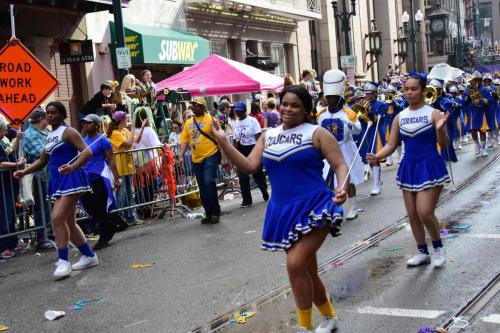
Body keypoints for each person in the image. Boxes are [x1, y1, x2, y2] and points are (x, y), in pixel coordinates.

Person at [212, 85, 348, 333]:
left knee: (295, 265)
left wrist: (342, 188)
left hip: (316, 206)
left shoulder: (317, 133)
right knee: (307, 270)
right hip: (283, 211)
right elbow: (249, 165)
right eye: (285, 103)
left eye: (295, 105)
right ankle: (329, 316)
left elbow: (340, 165)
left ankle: (304, 327)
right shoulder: (268, 135)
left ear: (306, 109)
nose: (288, 109)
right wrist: (223, 141)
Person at [367, 75, 449, 268]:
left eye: (414, 89)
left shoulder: (434, 113)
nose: (409, 93)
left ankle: (438, 248)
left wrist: (439, 129)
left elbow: (443, 144)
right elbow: (391, 144)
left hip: (429, 166)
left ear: (422, 90)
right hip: (408, 167)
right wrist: (377, 156)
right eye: (407, 89)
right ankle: (422, 251)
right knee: (412, 214)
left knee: (425, 212)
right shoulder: (399, 117)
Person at [13, 101, 98, 279]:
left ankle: (63, 261)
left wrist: (72, 167)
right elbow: (42, 161)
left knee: (57, 218)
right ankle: (89, 256)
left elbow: (87, 152)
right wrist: (24, 171)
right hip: (58, 181)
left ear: (62, 114)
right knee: (68, 222)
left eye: (53, 113)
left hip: (71, 179)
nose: (49, 116)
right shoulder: (49, 135)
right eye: (47, 113)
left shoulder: (69, 132)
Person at [318, 70, 364, 221]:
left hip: (345, 149)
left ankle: (353, 207)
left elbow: (358, 130)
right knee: (327, 181)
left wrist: (350, 124)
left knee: (347, 180)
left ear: (339, 97)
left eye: (333, 98)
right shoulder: (321, 114)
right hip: (327, 151)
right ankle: (332, 208)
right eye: (328, 98)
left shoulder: (348, 113)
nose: (329, 100)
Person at [80, 114, 126, 250]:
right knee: (88, 205)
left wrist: (116, 178)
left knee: (100, 206)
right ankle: (110, 226)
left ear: (95, 124)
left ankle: (104, 236)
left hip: (99, 175)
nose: (85, 125)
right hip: (86, 177)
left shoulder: (103, 140)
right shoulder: (82, 140)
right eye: (84, 123)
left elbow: (111, 159)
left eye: (88, 123)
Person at [179, 98, 226, 224]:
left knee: (209, 181)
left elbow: (220, 138)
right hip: (196, 159)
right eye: (193, 105)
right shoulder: (188, 123)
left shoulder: (211, 119)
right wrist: (180, 156)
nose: (194, 107)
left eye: (197, 105)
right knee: (202, 186)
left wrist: (223, 157)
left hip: (211, 154)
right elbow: (184, 141)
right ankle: (208, 213)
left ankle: (216, 212)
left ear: (204, 107)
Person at [21, 108, 53, 249]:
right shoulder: (30, 135)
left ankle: (50, 232)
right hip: (39, 176)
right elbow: (43, 154)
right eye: (47, 117)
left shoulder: (45, 132)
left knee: (50, 206)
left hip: (50, 175)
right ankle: (42, 237)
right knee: (41, 208)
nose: (49, 119)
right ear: (41, 119)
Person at [107, 111, 146, 225]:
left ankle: (130, 217)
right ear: (121, 120)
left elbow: (136, 140)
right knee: (121, 193)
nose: (127, 120)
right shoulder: (115, 133)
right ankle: (119, 218)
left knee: (129, 192)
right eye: (125, 118)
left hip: (128, 166)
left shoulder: (124, 131)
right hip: (120, 168)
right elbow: (128, 144)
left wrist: (142, 127)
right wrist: (133, 127)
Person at [232, 101, 269, 208]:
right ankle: (247, 200)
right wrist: (233, 153)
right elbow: (235, 140)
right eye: (236, 111)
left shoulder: (252, 121)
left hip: (253, 148)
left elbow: (259, 137)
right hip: (242, 149)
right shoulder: (236, 123)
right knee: (243, 176)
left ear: (244, 111)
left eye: (240, 111)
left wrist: (260, 151)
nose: (238, 113)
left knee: (257, 174)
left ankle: (263, 189)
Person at [0, 119, 23, 259]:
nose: (6, 132)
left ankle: (12, 242)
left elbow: (10, 151)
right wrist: (16, 164)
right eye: (3, 130)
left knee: (11, 214)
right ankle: (3, 247)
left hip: (10, 183)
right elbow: (1, 163)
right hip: (2, 185)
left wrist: (17, 141)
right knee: (4, 214)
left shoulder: (3, 140)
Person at [362, 81, 388, 195]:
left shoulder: (381, 105)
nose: (368, 96)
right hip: (367, 132)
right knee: (369, 158)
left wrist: (369, 113)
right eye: (366, 93)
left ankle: (376, 185)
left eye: (370, 93)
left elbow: (379, 120)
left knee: (375, 158)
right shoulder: (364, 104)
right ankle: (378, 180)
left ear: (375, 93)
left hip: (376, 132)